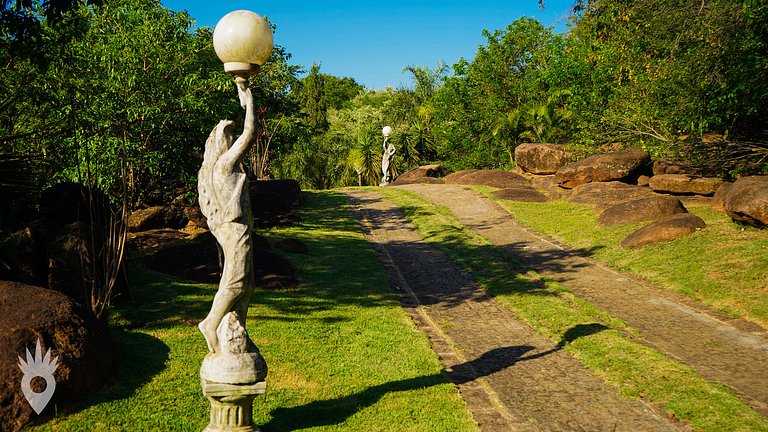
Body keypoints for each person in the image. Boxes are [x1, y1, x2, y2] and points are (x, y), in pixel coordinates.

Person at [197, 77, 256, 353]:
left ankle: (237, 327)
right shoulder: (223, 165)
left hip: (237, 229)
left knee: (248, 284)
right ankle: (210, 323)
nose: (234, 140)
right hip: (235, 230)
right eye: (230, 136)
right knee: (236, 279)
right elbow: (250, 133)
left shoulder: (213, 169)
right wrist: (249, 101)